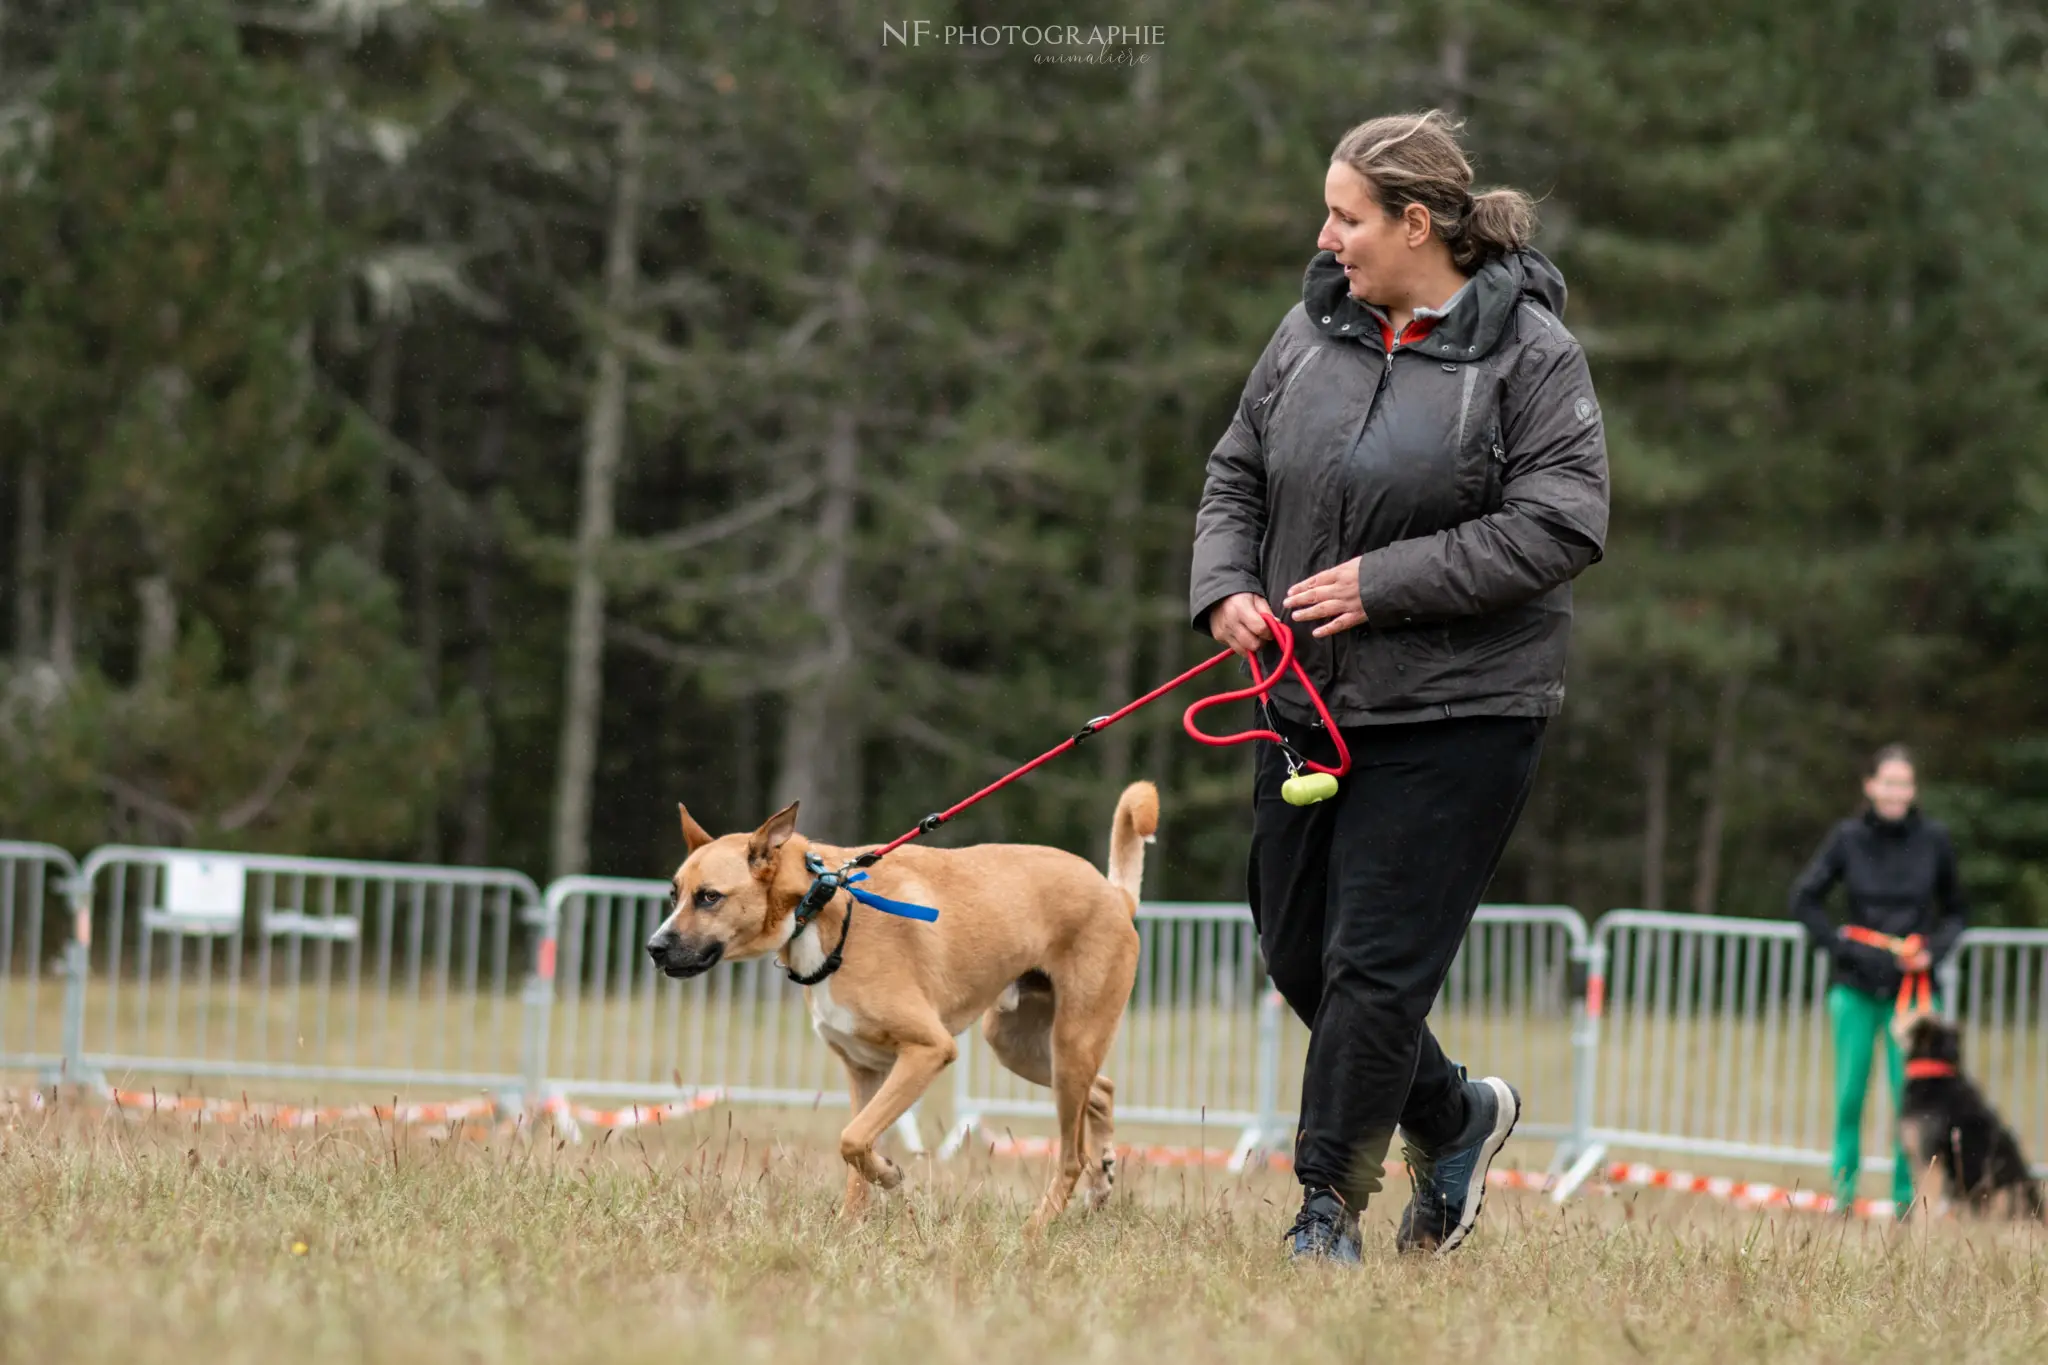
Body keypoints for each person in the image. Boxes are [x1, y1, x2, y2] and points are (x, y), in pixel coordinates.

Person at [1189, 110, 1609, 1261]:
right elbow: (1235, 473)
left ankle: (1325, 1207)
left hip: (1461, 712)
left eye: (1345, 216)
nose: (1324, 238)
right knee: (1292, 951)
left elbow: (1563, 524)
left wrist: (1386, 582)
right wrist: (1225, 586)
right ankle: (1451, 1113)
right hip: (1304, 706)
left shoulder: (1531, 356)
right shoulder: (1304, 333)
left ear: (1415, 225)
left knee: (1371, 965)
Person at [1790, 743, 1968, 1214]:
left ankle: (1905, 1201)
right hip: (1855, 987)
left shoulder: (1935, 839)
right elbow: (1804, 899)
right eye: (1887, 782)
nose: (1895, 792)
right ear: (1870, 787)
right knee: (1849, 1096)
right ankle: (1842, 1196)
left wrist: (1932, 951)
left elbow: (1956, 912)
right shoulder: (1847, 838)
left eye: (1903, 784)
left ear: (1913, 790)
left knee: (1909, 1101)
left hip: (1912, 996)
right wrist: (1839, 946)